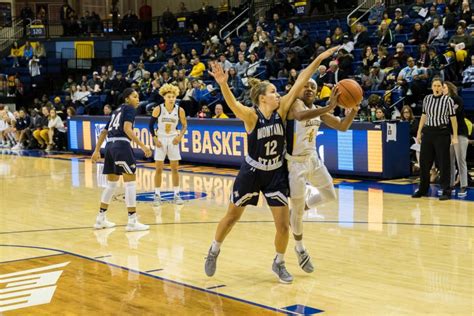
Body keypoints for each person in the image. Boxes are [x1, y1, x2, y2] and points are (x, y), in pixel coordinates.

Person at [204, 46, 340, 284]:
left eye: (278, 92)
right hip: (252, 172)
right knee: (232, 216)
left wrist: (320, 57)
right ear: (261, 98)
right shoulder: (251, 116)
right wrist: (223, 83)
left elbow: (301, 80)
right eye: (274, 92)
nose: (279, 95)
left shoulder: (284, 108)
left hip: (275, 173)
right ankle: (214, 249)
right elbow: (232, 103)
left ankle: (279, 262)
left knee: (283, 225)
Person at [286, 80, 357, 273]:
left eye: (313, 87)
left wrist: (352, 112)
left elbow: (342, 127)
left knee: (329, 195)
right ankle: (300, 248)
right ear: (299, 88)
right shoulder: (294, 105)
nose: (309, 89)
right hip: (295, 163)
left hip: (313, 159)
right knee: (298, 212)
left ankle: (299, 211)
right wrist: (330, 106)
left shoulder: (318, 109)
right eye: (306, 86)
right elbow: (300, 116)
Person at [91, 88, 152, 231]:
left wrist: (97, 150)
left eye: (138, 97)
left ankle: (100, 219)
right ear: (127, 99)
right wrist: (143, 146)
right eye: (134, 97)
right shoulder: (130, 109)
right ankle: (132, 220)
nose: (137, 99)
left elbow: (104, 131)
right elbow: (127, 129)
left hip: (110, 147)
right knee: (130, 183)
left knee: (111, 185)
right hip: (121, 146)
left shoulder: (116, 111)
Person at [412, 78, 458, 201]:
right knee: (424, 162)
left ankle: (446, 190)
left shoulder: (448, 100)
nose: (437, 88)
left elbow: (453, 119)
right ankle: (423, 189)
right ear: (431, 87)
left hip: (442, 132)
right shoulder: (427, 99)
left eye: (439, 86)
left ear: (442, 88)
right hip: (428, 132)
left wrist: (455, 136)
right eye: (435, 85)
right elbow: (423, 115)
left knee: (444, 163)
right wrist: (419, 132)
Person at [149, 84, 187, 206]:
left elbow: (184, 125)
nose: (171, 98)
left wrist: (179, 136)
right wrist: (154, 138)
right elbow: (150, 125)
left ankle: (177, 194)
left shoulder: (179, 110)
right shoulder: (158, 109)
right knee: (159, 168)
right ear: (164, 97)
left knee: (175, 168)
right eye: (169, 96)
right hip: (160, 139)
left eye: (173, 96)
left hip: (173, 139)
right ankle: (157, 195)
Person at [443, 81, 469, 197]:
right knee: (450, 161)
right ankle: (450, 185)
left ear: (449, 88)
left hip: (460, 133)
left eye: (443, 87)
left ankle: (464, 185)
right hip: (448, 134)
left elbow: (454, 114)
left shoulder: (457, 99)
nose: (442, 89)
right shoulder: (441, 101)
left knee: (460, 160)